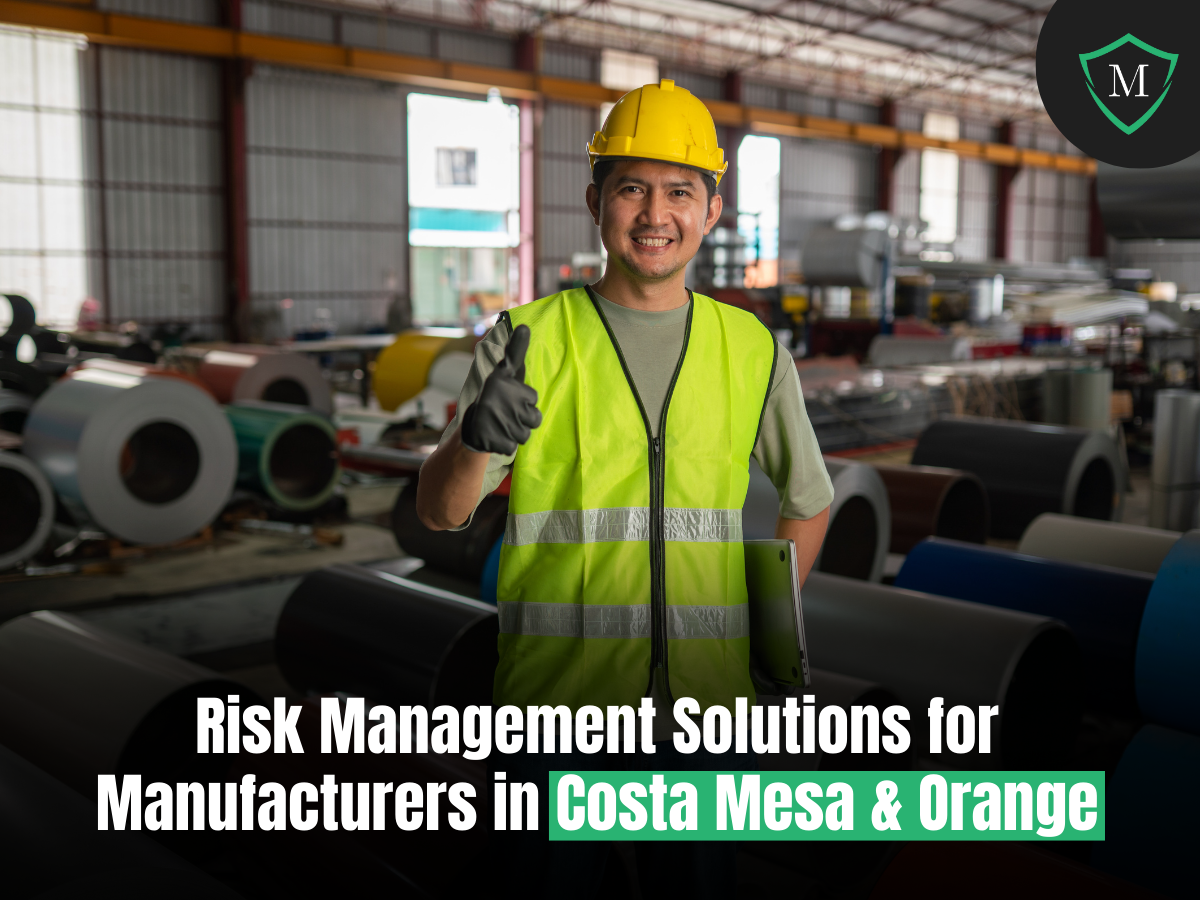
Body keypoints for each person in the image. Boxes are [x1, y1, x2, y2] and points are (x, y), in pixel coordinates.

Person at [417, 79, 834, 898]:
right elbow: (441, 510)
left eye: (680, 191)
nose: (655, 214)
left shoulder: (749, 349)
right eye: (632, 188)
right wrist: (475, 439)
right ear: (595, 201)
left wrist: (764, 641)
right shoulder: (531, 339)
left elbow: (809, 501)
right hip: (556, 710)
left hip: (705, 714)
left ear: (711, 210)